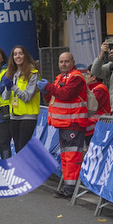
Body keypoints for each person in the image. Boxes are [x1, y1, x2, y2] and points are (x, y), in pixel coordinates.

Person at [42, 51, 95, 198]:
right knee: (66, 156)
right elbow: (52, 98)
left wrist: (48, 87)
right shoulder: (61, 77)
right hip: (64, 123)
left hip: (73, 123)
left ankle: (70, 188)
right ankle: (68, 185)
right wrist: (45, 91)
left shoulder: (76, 77)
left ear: (73, 62)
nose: (63, 64)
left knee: (72, 156)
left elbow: (65, 94)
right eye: (61, 62)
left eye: (66, 61)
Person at [7, 45, 41, 154]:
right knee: (17, 147)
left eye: (20, 53)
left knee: (23, 147)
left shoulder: (33, 73)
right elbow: (5, 97)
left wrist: (12, 87)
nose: (18, 56)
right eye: (15, 54)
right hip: (14, 115)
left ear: (25, 55)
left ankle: (27, 170)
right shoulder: (12, 73)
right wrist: (7, 89)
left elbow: (27, 97)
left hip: (28, 116)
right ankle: (21, 170)